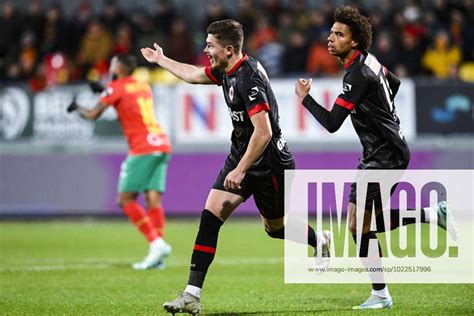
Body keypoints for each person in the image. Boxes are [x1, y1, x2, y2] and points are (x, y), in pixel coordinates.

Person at [141, 19, 330, 315]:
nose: (205, 50)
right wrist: (161, 59)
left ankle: (318, 239)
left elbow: (264, 132)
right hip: (242, 154)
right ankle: (192, 295)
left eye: (210, 45)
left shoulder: (248, 78)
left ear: (228, 49)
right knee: (210, 216)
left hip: (270, 163)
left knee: (275, 228)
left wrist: (240, 170)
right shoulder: (226, 70)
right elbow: (192, 75)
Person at [295, 6, 456, 310]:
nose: (330, 38)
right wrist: (381, 112)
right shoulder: (369, 62)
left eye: (338, 34)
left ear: (354, 41)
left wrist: (305, 99)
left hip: (385, 155)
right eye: (331, 32)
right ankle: (432, 215)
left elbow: (331, 123)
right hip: (382, 151)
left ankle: (381, 294)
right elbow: (392, 84)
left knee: (359, 226)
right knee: (362, 223)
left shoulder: (357, 73)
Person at [67, 54, 173, 270]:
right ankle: (158, 256)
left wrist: (76, 108)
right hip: (161, 143)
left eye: (113, 63)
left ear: (119, 67)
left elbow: (93, 114)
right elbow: (126, 102)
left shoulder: (115, 88)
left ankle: (156, 243)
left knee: (125, 199)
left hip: (142, 147)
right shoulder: (142, 86)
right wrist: (106, 89)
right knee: (153, 199)